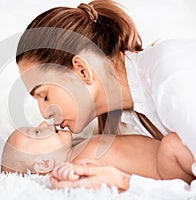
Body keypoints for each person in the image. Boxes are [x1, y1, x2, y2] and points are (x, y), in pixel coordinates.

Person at [15, 0, 196, 194]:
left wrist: (124, 182)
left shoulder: (171, 77)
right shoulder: (133, 117)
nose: (44, 113)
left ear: (83, 71)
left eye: (45, 96)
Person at [1, 122, 195, 187]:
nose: (43, 124)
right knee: (173, 143)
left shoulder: (77, 147)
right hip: (166, 168)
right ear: (44, 164)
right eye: (37, 132)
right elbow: (92, 179)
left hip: (167, 159)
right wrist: (69, 174)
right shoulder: (76, 163)